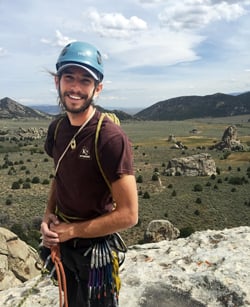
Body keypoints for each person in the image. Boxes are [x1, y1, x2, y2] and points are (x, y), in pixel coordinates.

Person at [40, 41, 138, 307]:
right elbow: (59, 177)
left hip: (95, 250)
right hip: (63, 243)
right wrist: (49, 215)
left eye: (85, 80)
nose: (75, 87)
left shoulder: (109, 138)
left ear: (98, 88)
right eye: (69, 77)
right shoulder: (57, 128)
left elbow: (129, 214)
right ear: (57, 82)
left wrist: (72, 230)